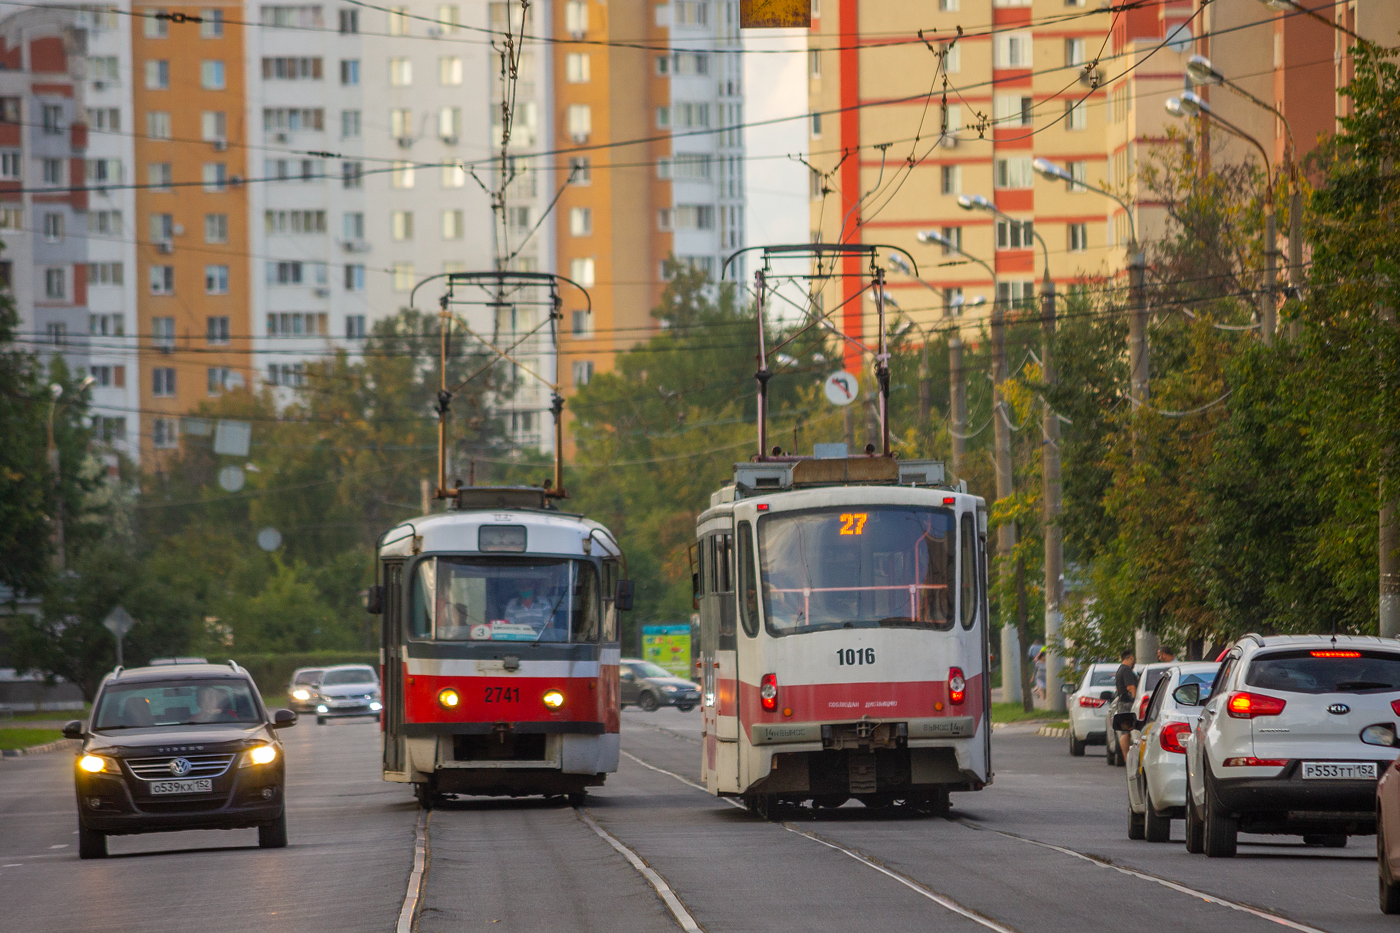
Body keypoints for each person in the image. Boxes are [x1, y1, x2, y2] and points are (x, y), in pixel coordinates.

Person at [1113, 649, 1138, 766]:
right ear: (1131, 657)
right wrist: (1134, 699)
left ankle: (1126, 758)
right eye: (1133, 659)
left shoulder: (1120, 670)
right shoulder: (1127, 670)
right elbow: (1131, 687)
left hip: (1121, 702)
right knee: (1126, 732)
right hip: (1127, 703)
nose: (1134, 662)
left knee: (1124, 731)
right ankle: (1127, 758)